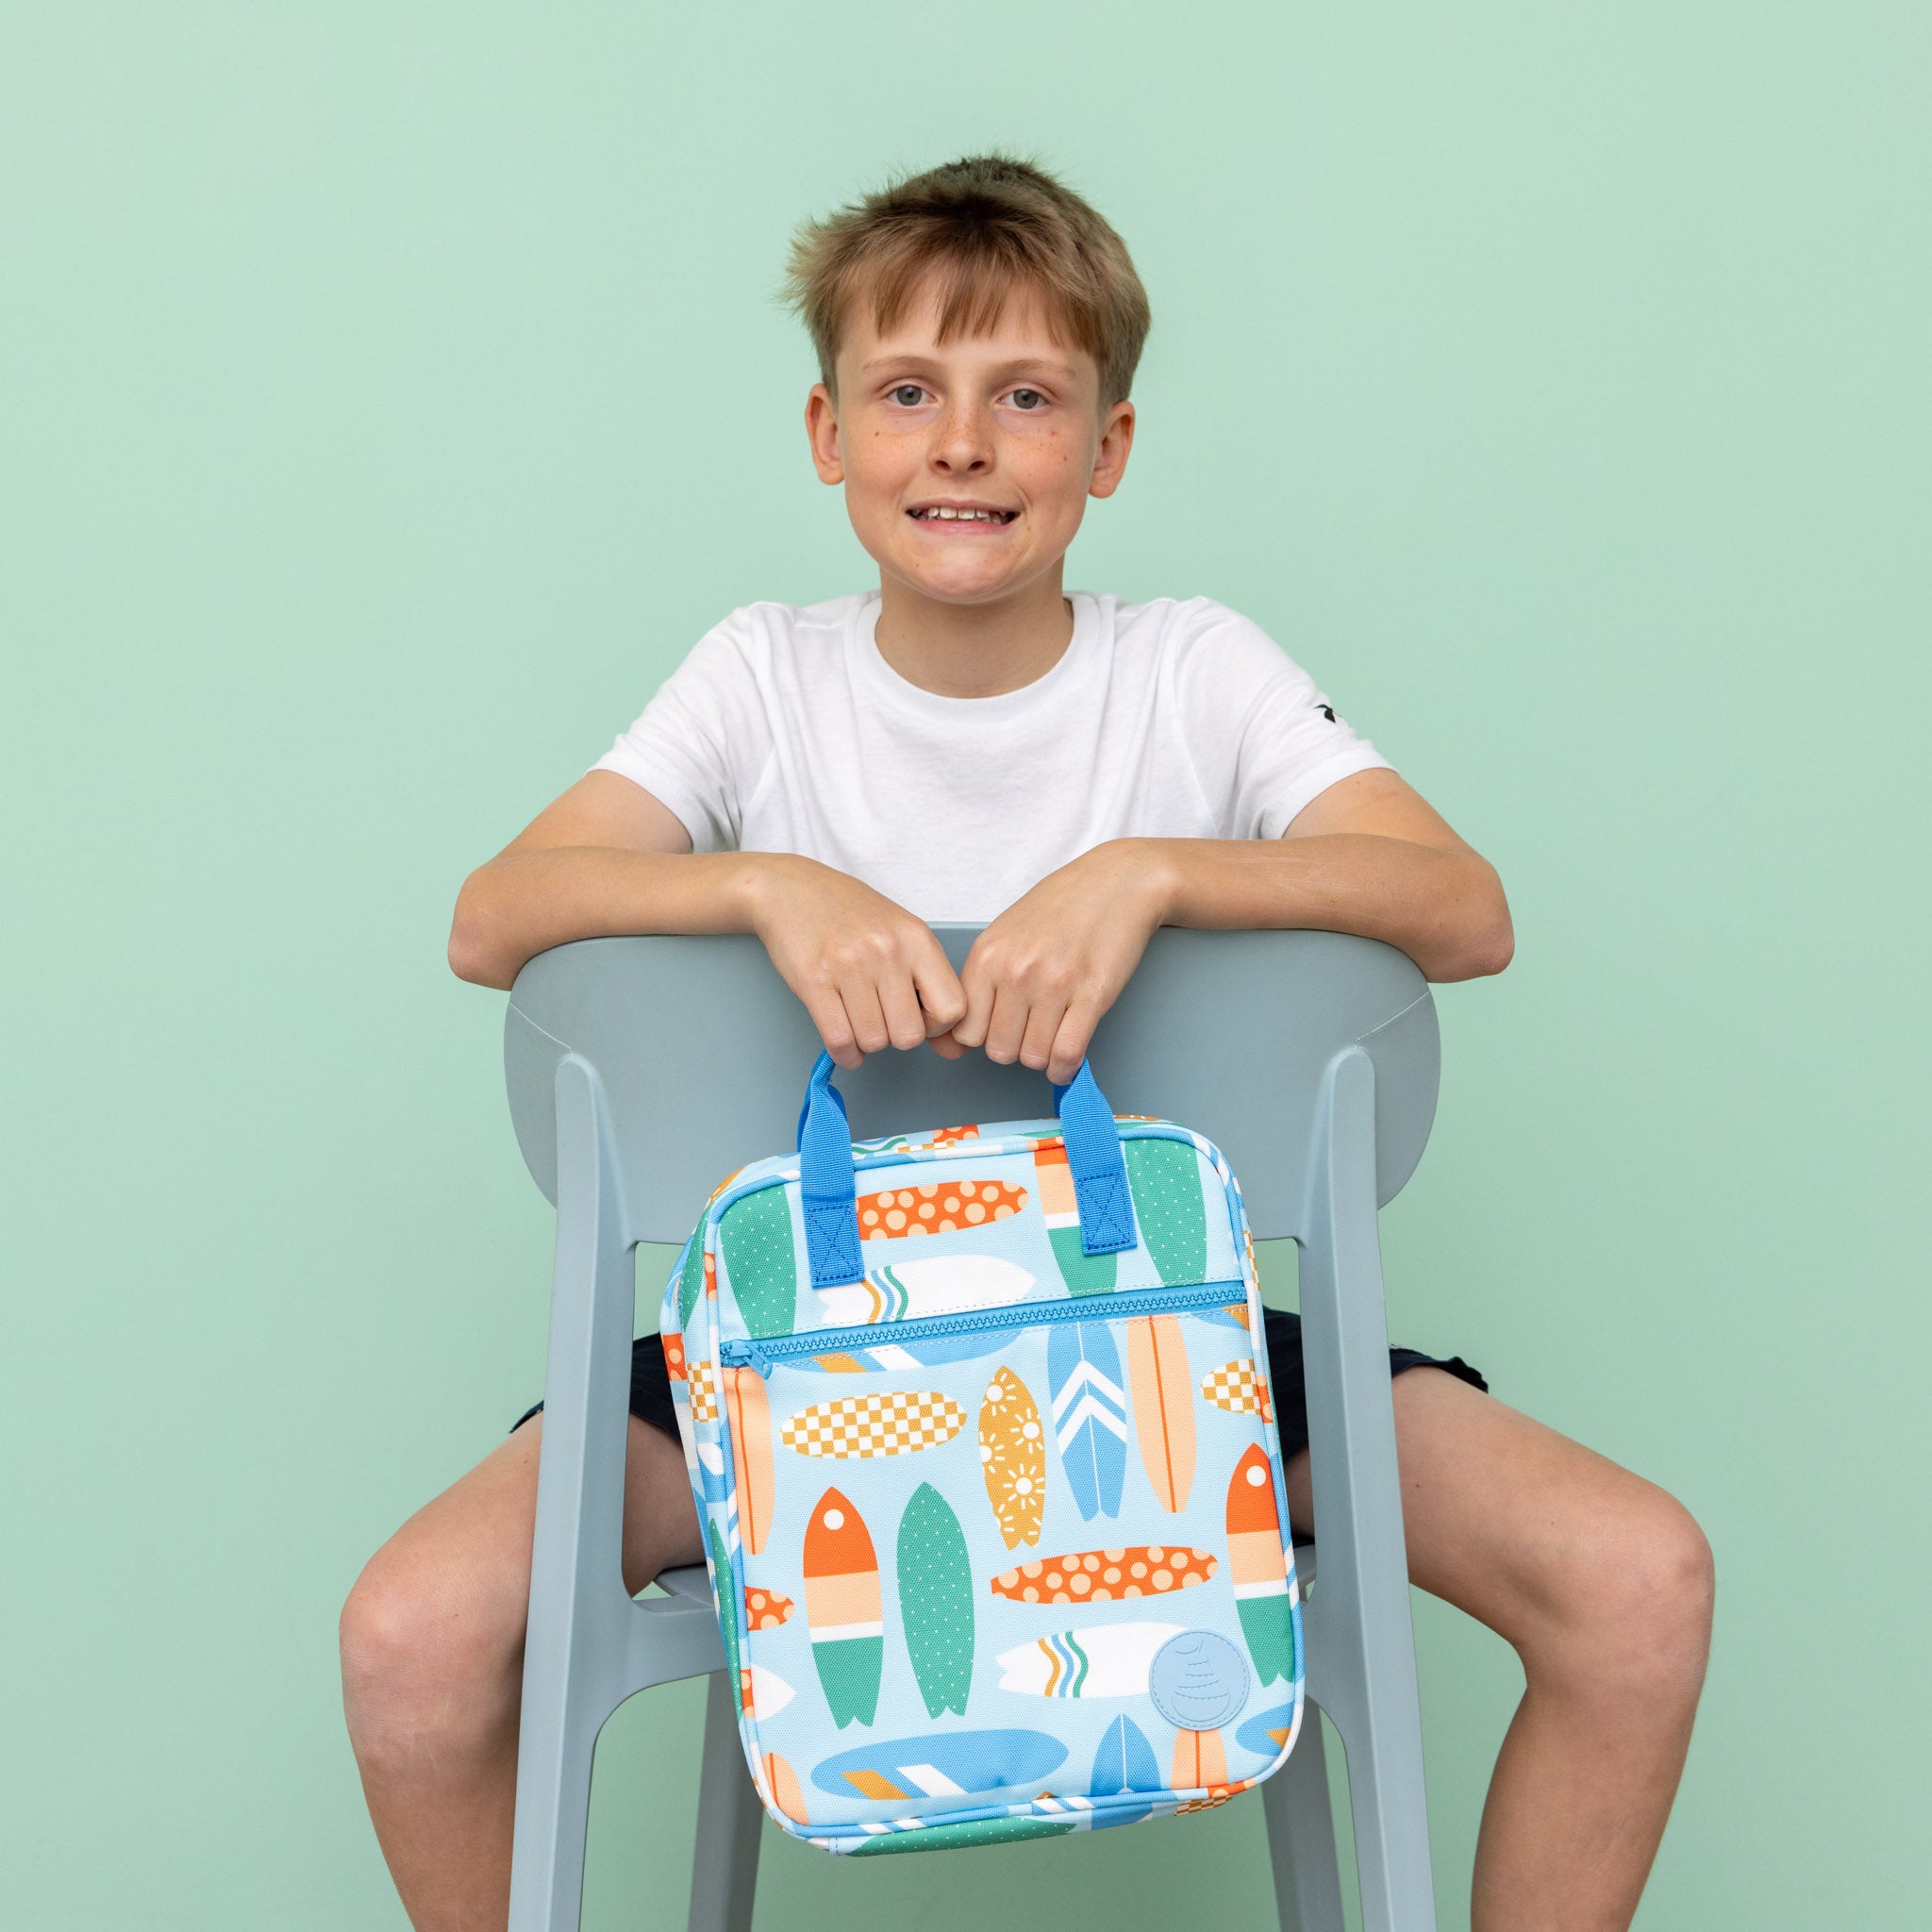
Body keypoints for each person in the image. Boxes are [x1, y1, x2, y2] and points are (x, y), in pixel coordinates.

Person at [339, 156, 1713, 1932]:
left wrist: (1154, 870)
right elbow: (493, 916)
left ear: (1109, 446)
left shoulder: (1193, 670)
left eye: (1029, 399)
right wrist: (763, 882)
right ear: (829, 432)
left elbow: (1463, 905)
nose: (966, 445)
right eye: (910, 393)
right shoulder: (760, 677)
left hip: (1170, 1347)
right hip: (785, 1360)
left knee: (1637, 1580)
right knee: (412, 1637)